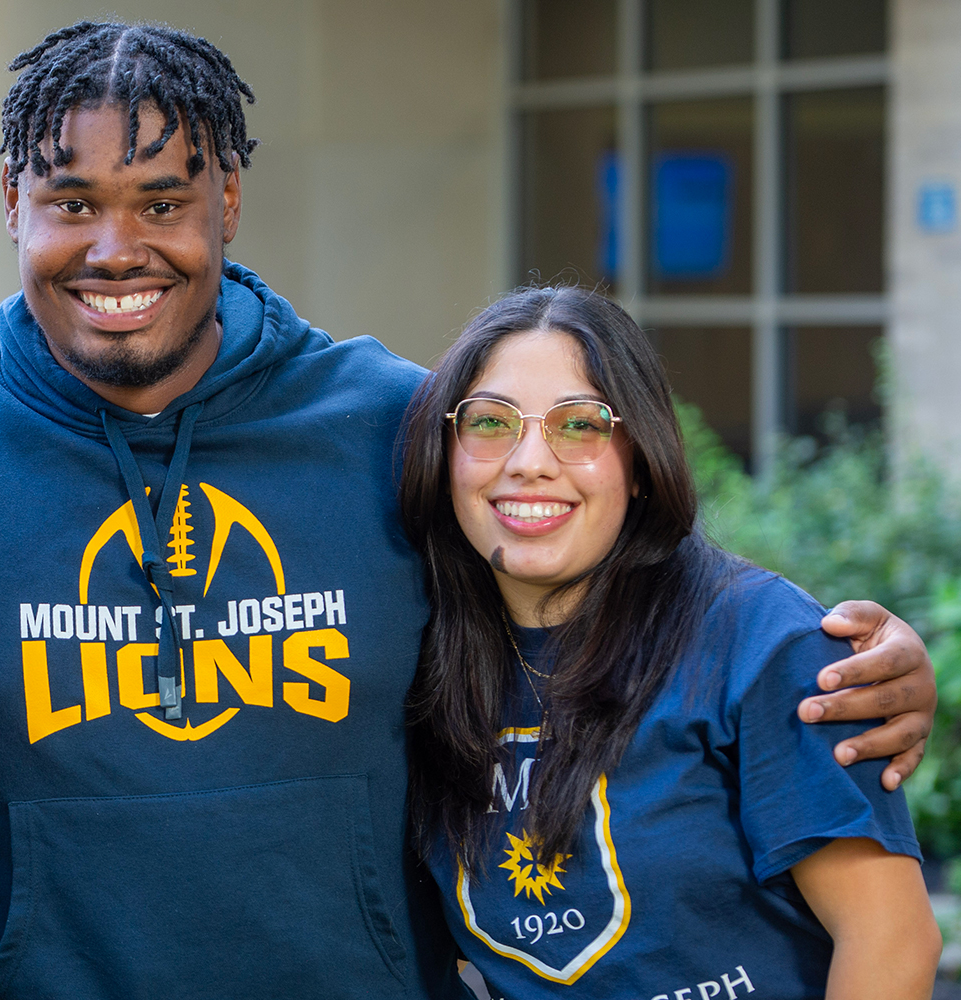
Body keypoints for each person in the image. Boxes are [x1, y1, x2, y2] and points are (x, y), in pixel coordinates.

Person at [0, 20, 938, 999]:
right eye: (73, 204)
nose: (118, 248)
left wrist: (836, 656)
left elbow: (602, 545)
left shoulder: (396, 420)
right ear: (14, 204)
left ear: (228, 203)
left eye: (162, 201)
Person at [400, 287, 940, 998]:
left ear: (640, 455)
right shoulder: (412, 655)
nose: (529, 461)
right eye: (491, 423)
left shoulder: (760, 642)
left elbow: (890, 939)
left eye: (581, 424)